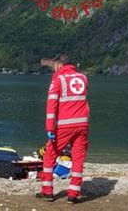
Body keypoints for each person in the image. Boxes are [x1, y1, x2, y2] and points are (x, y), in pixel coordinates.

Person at [36, 54, 90, 204]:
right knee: (78, 158)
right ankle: (73, 194)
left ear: (59, 65)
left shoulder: (58, 79)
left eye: (54, 65)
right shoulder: (83, 78)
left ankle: (47, 191)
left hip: (65, 125)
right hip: (82, 124)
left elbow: (52, 105)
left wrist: (50, 127)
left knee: (49, 155)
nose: (53, 68)